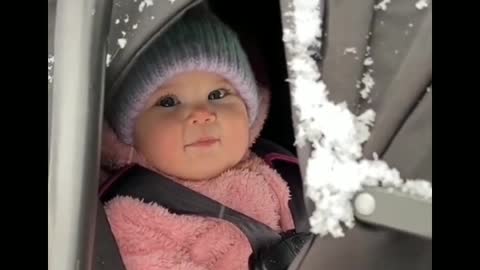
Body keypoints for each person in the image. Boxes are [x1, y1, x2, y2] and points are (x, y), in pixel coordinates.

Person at [100, 7, 295, 270]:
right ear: (128, 135)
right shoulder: (133, 217)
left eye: (217, 95)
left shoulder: (280, 168)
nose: (202, 115)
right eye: (168, 102)